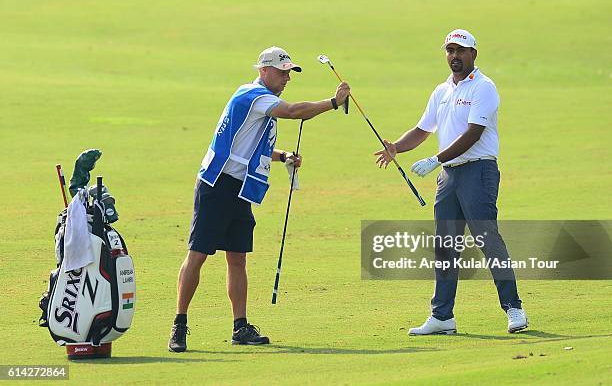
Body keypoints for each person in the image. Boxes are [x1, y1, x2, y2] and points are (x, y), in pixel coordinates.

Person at [168, 46, 350, 352]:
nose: (286, 78)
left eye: (289, 73)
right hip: (217, 184)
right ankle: (179, 325)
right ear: (263, 71)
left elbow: (251, 144)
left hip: (239, 188)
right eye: (282, 72)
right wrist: (333, 102)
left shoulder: (261, 100)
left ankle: (240, 327)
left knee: (237, 257)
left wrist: (282, 156)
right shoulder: (253, 96)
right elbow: (294, 112)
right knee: (198, 254)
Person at [374, 29, 528, 335]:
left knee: (487, 239)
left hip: (478, 171)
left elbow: (474, 133)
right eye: (449, 51)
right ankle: (442, 316)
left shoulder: (483, 87)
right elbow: (422, 129)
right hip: (450, 177)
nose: (454, 56)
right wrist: (396, 148)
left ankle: (514, 308)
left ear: (473, 53)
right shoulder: (441, 91)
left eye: (460, 50)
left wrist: (435, 160)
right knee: (445, 246)